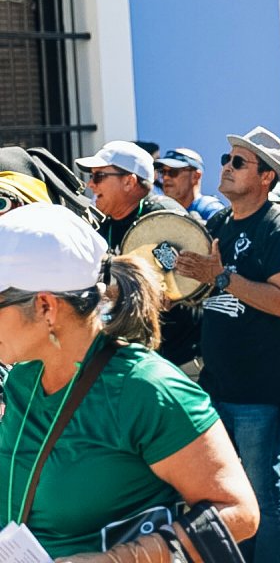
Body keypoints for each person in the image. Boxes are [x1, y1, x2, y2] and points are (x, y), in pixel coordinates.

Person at [0, 203, 258, 560]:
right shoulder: (22, 380)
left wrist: (119, 558)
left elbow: (239, 513)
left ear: (46, 306)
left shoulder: (147, 388)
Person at [174, 125, 280, 563]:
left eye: (238, 162)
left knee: (263, 490)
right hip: (218, 381)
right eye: (226, 159)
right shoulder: (219, 222)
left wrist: (221, 277)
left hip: (260, 386)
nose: (226, 167)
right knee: (231, 491)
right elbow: (200, 284)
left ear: (267, 176)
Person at [74, 141, 202, 371]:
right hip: (134, 358)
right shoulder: (105, 223)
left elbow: (178, 282)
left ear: (129, 181)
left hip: (177, 361)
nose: (90, 184)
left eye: (99, 176)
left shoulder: (163, 217)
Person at [156, 147, 225, 221]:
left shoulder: (210, 208)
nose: (166, 177)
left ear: (196, 176)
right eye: (162, 172)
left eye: (173, 172)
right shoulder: (159, 210)